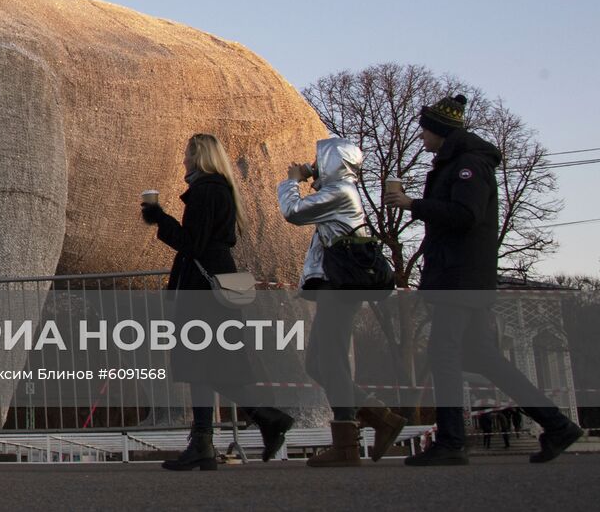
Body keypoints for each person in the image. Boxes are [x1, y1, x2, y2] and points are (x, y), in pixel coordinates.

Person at [384, 94, 583, 466]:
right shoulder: (458, 163)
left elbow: (465, 214)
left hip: (459, 278)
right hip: (460, 275)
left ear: (441, 131)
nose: (421, 138)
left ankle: (450, 441)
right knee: (482, 356)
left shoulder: (468, 166)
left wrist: (414, 205)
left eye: (425, 130)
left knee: (442, 354)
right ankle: (557, 424)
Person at [144, 133, 295, 470]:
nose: (183, 160)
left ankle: (262, 419)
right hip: (218, 283)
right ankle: (206, 442)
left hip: (203, 289)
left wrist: (159, 217)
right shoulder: (221, 190)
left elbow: (191, 242)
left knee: (203, 366)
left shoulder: (204, 191)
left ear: (199, 157)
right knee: (205, 367)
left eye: (186, 154)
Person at [277, 137, 406, 466]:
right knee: (318, 363)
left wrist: (293, 180)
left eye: (320, 161)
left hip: (341, 287)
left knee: (330, 360)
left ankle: (347, 442)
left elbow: (292, 212)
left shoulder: (340, 193)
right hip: (336, 285)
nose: (314, 165)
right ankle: (380, 417)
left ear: (334, 163)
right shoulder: (338, 193)